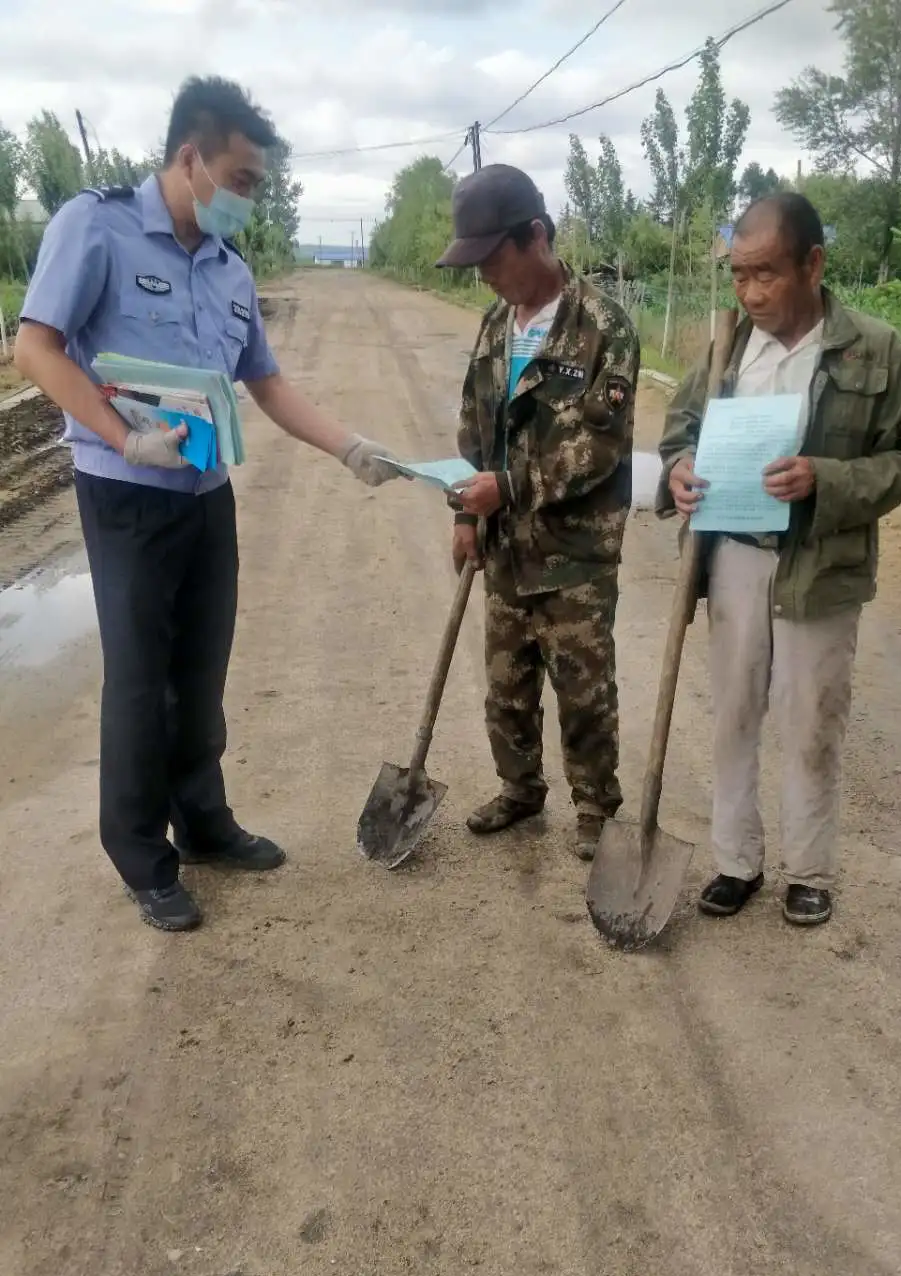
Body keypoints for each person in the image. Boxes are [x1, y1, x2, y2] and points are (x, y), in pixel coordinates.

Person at [15, 76, 400, 933]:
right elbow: (34, 349)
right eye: (241, 178)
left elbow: (264, 382)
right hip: (125, 493)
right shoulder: (99, 226)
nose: (247, 199)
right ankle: (143, 858)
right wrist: (121, 437)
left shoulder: (229, 267)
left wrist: (348, 446)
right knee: (140, 680)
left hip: (205, 492)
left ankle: (204, 821)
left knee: (201, 671)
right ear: (190, 158)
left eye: (256, 184)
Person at [657, 193, 901, 928]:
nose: (750, 293)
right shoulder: (727, 347)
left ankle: (809, 872)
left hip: (819, 564)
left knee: (812, 718)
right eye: (739, 276)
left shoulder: (875, 349)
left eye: (766, 274)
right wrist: (681, 465)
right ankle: (735, 862)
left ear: (813, 263)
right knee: (734, 714)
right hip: (735, 558)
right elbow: (679, 428)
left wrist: (826, 479)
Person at [436, 164, 640, 861]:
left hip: (574, 553)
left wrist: (510, 487)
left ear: (538, 236)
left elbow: (599, 450)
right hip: (504, 547)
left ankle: (596, 808)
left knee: (583, 691)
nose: (485, 275)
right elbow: (474, 426)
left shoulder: (603, 326)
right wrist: (468, 513)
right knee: (507, 687)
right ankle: (521, 790)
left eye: (493, 259)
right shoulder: (496, 324)